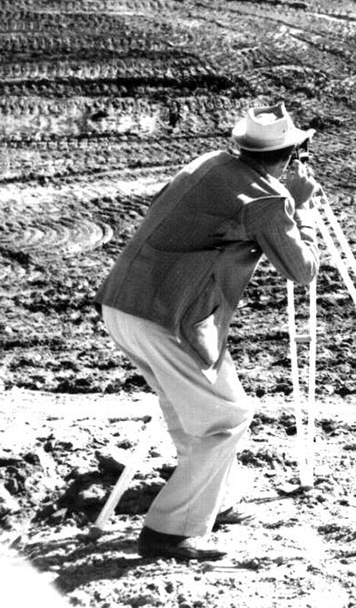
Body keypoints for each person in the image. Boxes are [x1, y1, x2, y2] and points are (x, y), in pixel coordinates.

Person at [95, 102, 320, 561]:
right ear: (288, 155)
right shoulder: (266, 200)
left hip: (125, 305)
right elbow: (302, 270)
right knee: (226, 419)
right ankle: (169, 533)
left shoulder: (208, 164)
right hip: (170, 318)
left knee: (187, 413)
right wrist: (302, 211)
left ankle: (212, 502)